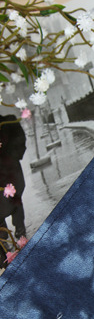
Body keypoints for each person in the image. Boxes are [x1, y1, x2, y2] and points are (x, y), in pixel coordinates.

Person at [0, 114, 27, 267]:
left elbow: (19, 139)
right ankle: (4, 242)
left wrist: (13, 156)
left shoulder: (8, 122)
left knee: (15, 200)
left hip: (10, 171)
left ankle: (20, 232)